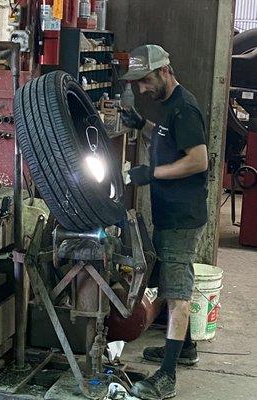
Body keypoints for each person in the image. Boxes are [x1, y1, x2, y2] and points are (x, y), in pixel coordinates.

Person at [120, 44, 208, 400]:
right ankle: (184, 348)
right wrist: (142, 124)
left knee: (177, 293)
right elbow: (165, 135)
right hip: (170, 210)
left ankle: (168, 376)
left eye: (144, 81)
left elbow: (198, 160)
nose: (142, 89)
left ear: (164, 71)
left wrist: (149, 173)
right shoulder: (170, 107)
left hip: (182, 215)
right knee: (172, 281)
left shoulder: (185, 108)